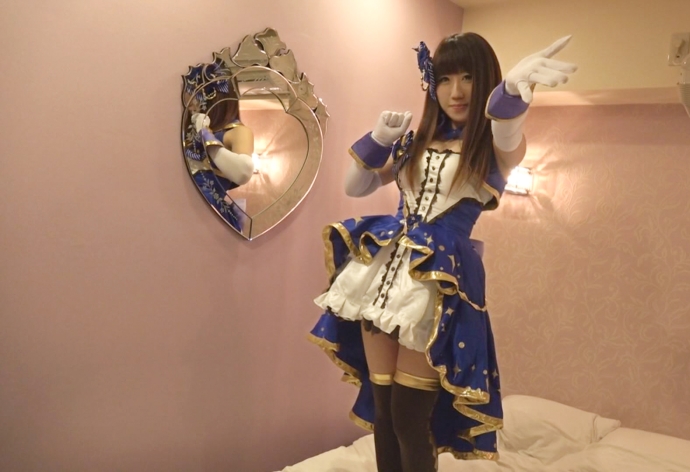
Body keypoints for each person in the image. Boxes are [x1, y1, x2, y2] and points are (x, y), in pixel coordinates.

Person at [308, 32, 576, 471]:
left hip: (436, 285)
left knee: (409, 417)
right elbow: (357, 186)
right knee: (383, 410)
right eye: (446, 78)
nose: (456, 91)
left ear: (485, 80)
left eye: (468, 77)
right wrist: (378, 139)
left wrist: (510, 93)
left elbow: (507, 131)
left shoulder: (492, 149)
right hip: (384, 278)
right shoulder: (414, 142)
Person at [183, 60, 255, 232]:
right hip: (179, 207)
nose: (191, 107)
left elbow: (243, 171)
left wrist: (206, 136)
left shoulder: (238, 132)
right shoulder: (189, 131)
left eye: (194, 100)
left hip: (209, 217)